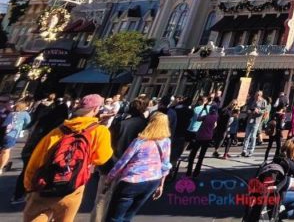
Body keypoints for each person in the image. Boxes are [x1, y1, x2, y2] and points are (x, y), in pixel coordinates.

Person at [21, 94, 114, 222]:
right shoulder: (100, 131)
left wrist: (29, 185)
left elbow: (37, 159)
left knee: (36, 217)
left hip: (45, 183)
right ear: (96, 109)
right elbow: (102, 159)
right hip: (73, 184)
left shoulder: (59, 130)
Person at [104, 111, 172, 222]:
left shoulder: (140, 141)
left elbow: (123, 161)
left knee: (114, 217)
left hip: (132, 181)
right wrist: (161, 184)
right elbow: (165, 164)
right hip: (153, 180)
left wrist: (109, 178)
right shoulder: (166, 141)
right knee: (128, 215)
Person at [185, 104, 218, 177]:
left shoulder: (206, 116)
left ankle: (189, 171)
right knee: (201, 156)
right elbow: (215, 125)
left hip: (199, 136)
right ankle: (196, 172)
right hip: (208, 137)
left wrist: (203, 110)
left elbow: (198, 118)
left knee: (193, 154)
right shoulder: (215, 117)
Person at [0, 101, 31, 173]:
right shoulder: (25, 114)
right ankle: (0, 168)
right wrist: (22, 127)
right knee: (6, 151)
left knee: (3, 150)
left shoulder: (10, 113)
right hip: (12, 134)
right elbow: (28, 122)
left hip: (3, 133)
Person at [242, 91, 268, 158]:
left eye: (257, 95)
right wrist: (249, 111)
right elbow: (248, 108)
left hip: (256, 120)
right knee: (247, 135)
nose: (256, 96)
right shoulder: (252, 101)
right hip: (250, 120)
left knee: (253, 136)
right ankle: (244, 150)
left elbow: (265, 111)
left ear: (260, 95)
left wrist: (258, 111)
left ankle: (251, 151)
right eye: (255, 95)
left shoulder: (263, 101)